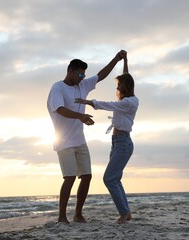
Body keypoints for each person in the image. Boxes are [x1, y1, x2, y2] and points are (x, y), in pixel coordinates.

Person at [47, 50, 126, 224]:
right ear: (70, 71)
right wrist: (80, 116)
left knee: (87, 176)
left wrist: (116, 59)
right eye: (80, 73)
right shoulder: (57, 88)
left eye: (84, 74)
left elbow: (101, 75)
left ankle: (78, 214)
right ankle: (61, 216)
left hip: (79, 140)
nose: (82, 77)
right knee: (69, 177)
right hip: (63, 141)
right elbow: (59, 109)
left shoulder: (82, 85)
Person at [75, 52, 139, 224]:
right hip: (117, 142)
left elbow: (109, 105)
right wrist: (125, 60)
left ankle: (124, 213)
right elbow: (127, 77)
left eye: (119, 86)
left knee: (109, 178)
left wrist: (89, 102)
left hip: (123, 143)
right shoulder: (126, 98)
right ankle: (126, 212)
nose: (117, 89)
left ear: (125, 87)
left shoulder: (129, 102)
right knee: (115, 178)